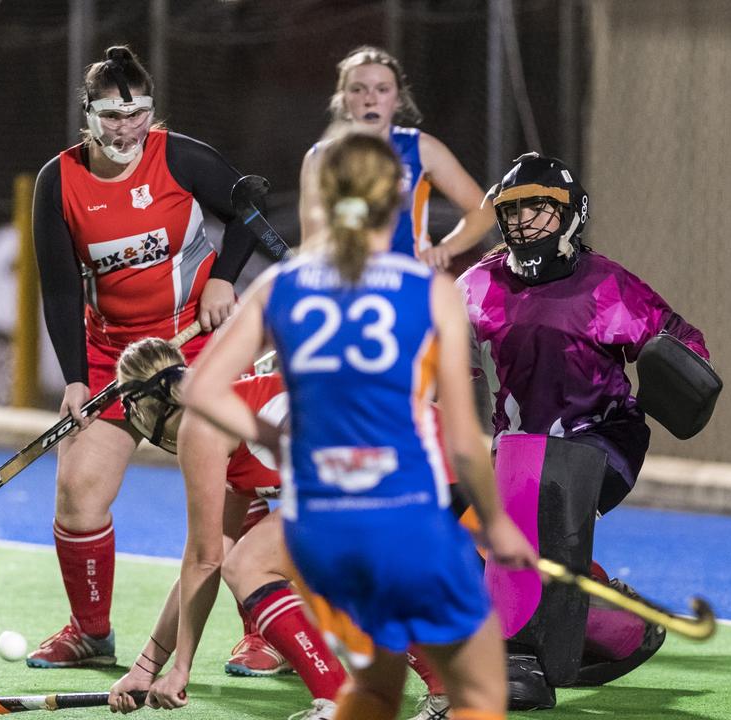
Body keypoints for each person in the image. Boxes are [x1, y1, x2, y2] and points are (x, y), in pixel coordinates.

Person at [180, 131, 537, 720]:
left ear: (322, 200)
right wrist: (497, 527)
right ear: (394, 203)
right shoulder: (429, 292)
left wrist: (273, 437)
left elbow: (199, 389)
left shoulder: (278, 288)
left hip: (319, 533)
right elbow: (463, 440)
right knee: (478, 693)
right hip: (403, 522)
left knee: (372, 694)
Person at [26, 45, 260, 669]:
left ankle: (263, 626)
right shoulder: (60, 181)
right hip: (112, 360)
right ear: (89, 113)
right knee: (77, 491)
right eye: (113, 115)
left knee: (244, 480)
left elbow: (249, 211)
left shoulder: (179, 156)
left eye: (138, 114)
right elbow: (58, 287)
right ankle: (91, 631)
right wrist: (76, 379)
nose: (127, 128)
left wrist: (223, 277)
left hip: (193, 350)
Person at [455, 152, 713, 710]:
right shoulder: (475, 286)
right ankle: (619, 627)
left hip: (602, 441)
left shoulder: (608, 286)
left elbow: (681, 342)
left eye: (539, 209)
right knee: (460, 541)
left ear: (573, 214)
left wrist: (680, 377)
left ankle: (519, 662)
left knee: (533, 503)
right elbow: (434, 363)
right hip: (517, 452)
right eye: (514, 210)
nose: (524, 221)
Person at [105, 338, 348, 720]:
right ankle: (441, 695)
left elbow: (204, 560)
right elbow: (211, 553)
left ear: (140, 406)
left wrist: (180, 670)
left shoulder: (201, 427)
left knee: (248, 566)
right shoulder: (223, 412)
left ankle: (340, 699)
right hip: (403, 463)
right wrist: (146, 667)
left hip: (383, 473)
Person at [299, 46, 492, 271]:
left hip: (407, 278)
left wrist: (444, 249)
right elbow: (311, 239)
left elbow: (482, 212)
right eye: (358, 89)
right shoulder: (321, 157)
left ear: (398, 99)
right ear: (343, 100)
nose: (370, 99)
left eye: (382, 89)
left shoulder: (421, 148)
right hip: (347, 281)